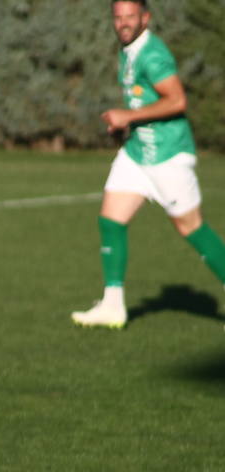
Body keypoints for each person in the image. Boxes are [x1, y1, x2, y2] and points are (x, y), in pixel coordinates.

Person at [72, 0, 225, 329]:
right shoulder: (128, 49)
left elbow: (177, 100)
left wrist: (128, 115)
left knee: (191, 227)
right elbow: (145, 99)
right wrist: (125, 126)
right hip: (138, 153)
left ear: (146, 18)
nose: (123, 23)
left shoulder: (152, 54)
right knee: (111, 220)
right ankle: (113, 306)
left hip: (167, 155)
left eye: (131, 17)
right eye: (118, 17)